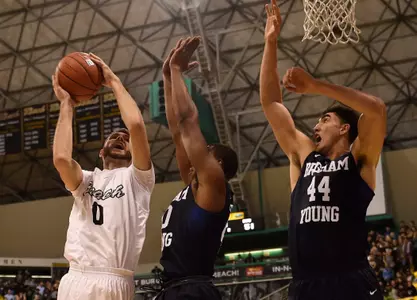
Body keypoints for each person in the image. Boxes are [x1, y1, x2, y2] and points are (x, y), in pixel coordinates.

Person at [260, 1, 387, 299]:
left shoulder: (359, 161)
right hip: (306, 285)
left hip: (350, 281)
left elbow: (378, 111)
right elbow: (271, 104)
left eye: (325, 119)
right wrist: (270, 43)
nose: (316, 126)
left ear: (344, 129)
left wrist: (316, 86)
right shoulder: (306, 156)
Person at [52, 53, 155, 300]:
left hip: (115, 280)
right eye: (113, 137)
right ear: (101, 152)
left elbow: (137, 127)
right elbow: (61, 159)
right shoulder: (85, 180)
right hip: (76, 278)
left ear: (134, 153)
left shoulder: (139, 180)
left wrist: (114, 81)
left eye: (125, 139)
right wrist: (66, 104)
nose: (121, 138)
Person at [155, 37, 238, 299]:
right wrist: (168, 78)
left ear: (218, 164)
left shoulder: (213, 184)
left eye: (206, 151)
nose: (196, 154)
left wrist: (178, 71)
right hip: (174, 288)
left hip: (194, 290)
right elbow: (178, 131)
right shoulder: (192, 185)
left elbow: (188, 120)